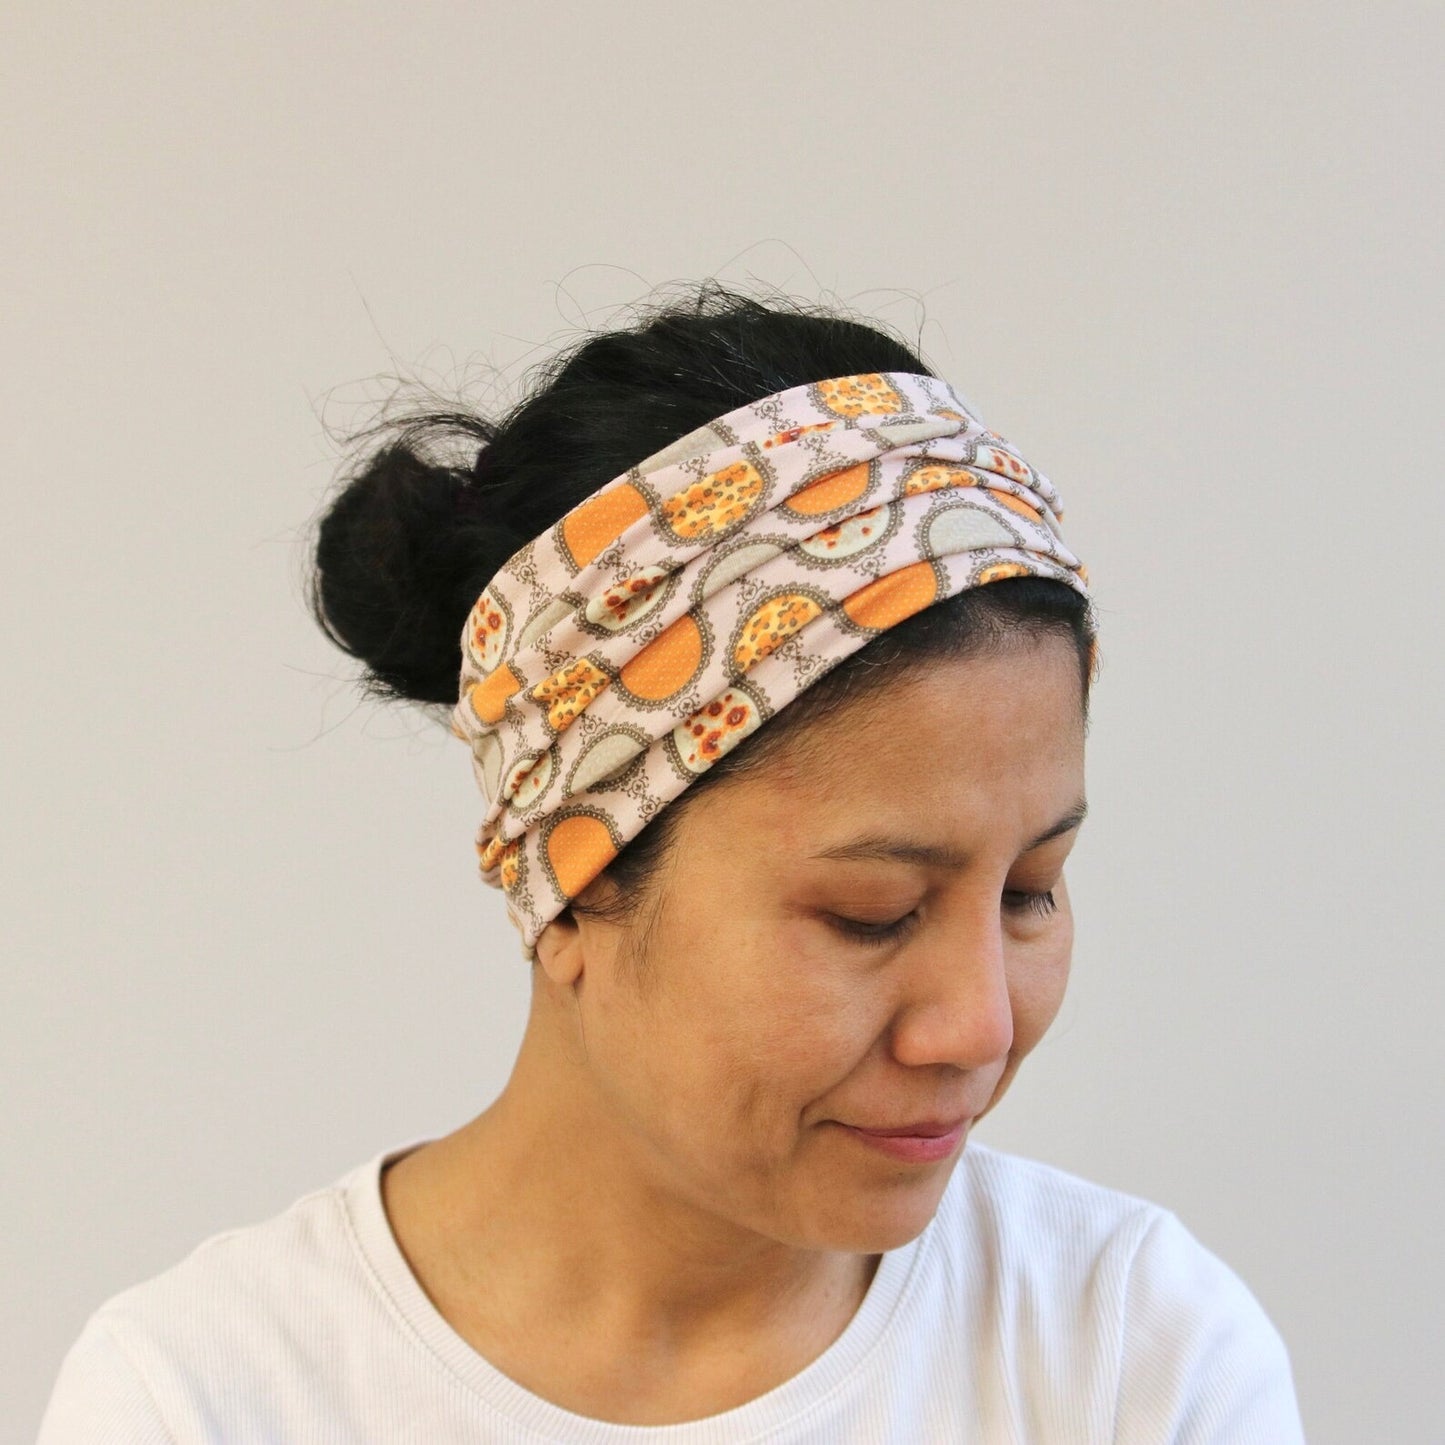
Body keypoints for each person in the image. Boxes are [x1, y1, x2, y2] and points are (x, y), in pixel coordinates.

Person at [38, 283, 1307, 1442]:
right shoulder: (210, 1395)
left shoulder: (1130, 1355)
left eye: (1030, 889)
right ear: (575, 880)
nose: (976, 1026)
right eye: (872, 912)